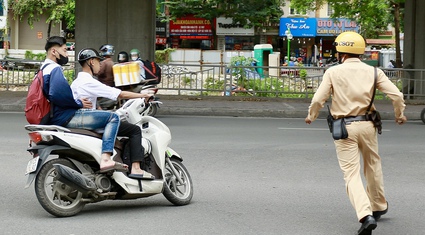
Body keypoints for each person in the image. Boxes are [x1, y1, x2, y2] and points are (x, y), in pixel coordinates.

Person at [304, 32, 407, 235]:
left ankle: (365, 215)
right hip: (368, 126)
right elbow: (397, 95)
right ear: (360, 51)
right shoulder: (374, 72)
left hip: (344, 128)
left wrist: (311, 116)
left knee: (351, 174)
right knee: (373, 165)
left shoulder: (333, 72)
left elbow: (318, 100)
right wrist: (400, 114)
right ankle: (378, 205)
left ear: (340, 52)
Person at [41, 36, 127, 173]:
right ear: (54, 51)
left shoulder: (42, 69)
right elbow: (58, 95)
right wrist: (78, 103)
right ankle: (106, 158)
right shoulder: (54, 69)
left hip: (51, 117)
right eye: (64, 50)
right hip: (64, 116)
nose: (67, 54)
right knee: (113, 118)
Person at [71, 48, 155, 179]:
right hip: (88, 119)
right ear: (91, 62)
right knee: (134, 130)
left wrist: (100, 109)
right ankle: (135, 168)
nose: (100, 64)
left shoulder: (76, 82)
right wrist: (143, 95)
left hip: (81, 118)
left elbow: (92, 101)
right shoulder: (89, 81)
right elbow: (118, 94)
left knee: (112, 120)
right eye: (99, 61)